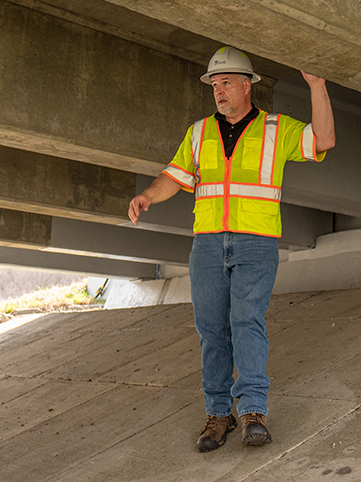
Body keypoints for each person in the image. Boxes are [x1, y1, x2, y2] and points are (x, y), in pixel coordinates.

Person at [128, 46, 335, 452]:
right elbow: (176, 175)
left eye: (226, 83)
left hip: (256, 241)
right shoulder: (199, 131)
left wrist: (318, 86)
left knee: (246, 322)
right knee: (211, 330)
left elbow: (324, 138)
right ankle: (218, 414)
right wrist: (149, 196)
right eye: (214, 85)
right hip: (206, 244)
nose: (219, 91)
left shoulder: (277, 129)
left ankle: (254, 411)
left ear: (247, 85)